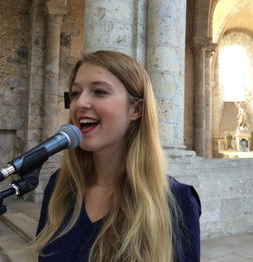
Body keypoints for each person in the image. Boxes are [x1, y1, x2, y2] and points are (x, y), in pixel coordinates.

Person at [29, 50, 201, 262]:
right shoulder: (59, 187)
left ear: (136, 109)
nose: (80, 103)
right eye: (75, 93)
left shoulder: (177, 201)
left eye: (99, 91)